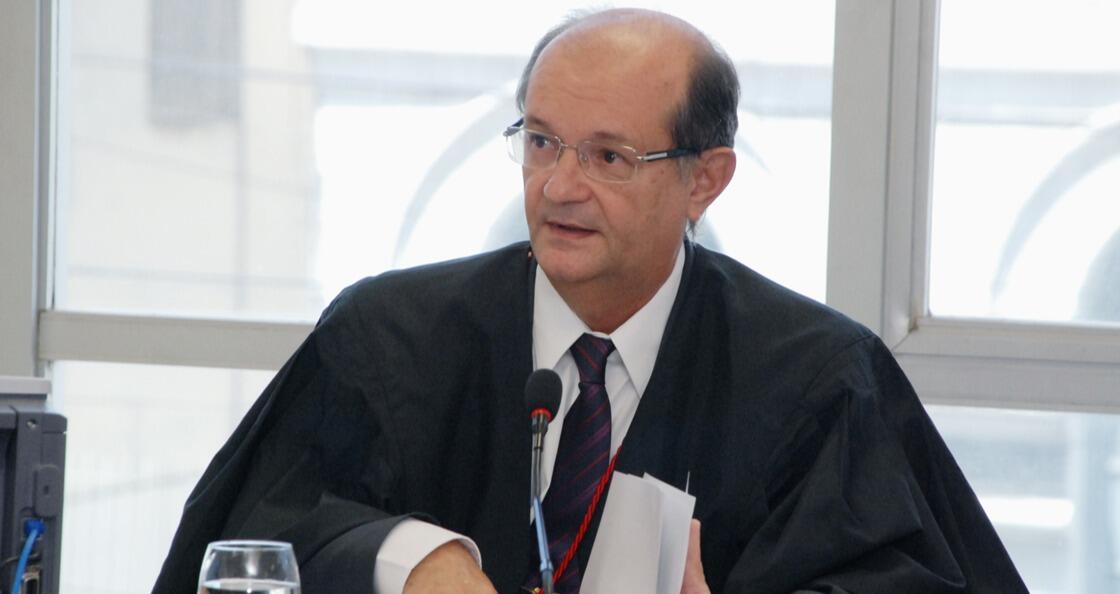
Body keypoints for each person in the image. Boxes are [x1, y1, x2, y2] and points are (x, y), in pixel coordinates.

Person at [154, 9, 1028, 594]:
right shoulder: (387, 336)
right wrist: (408, 557)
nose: (559, 186)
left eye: (609, 157)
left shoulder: (816, 378)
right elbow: (248, 538)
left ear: (704, 179)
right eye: (541, 142)